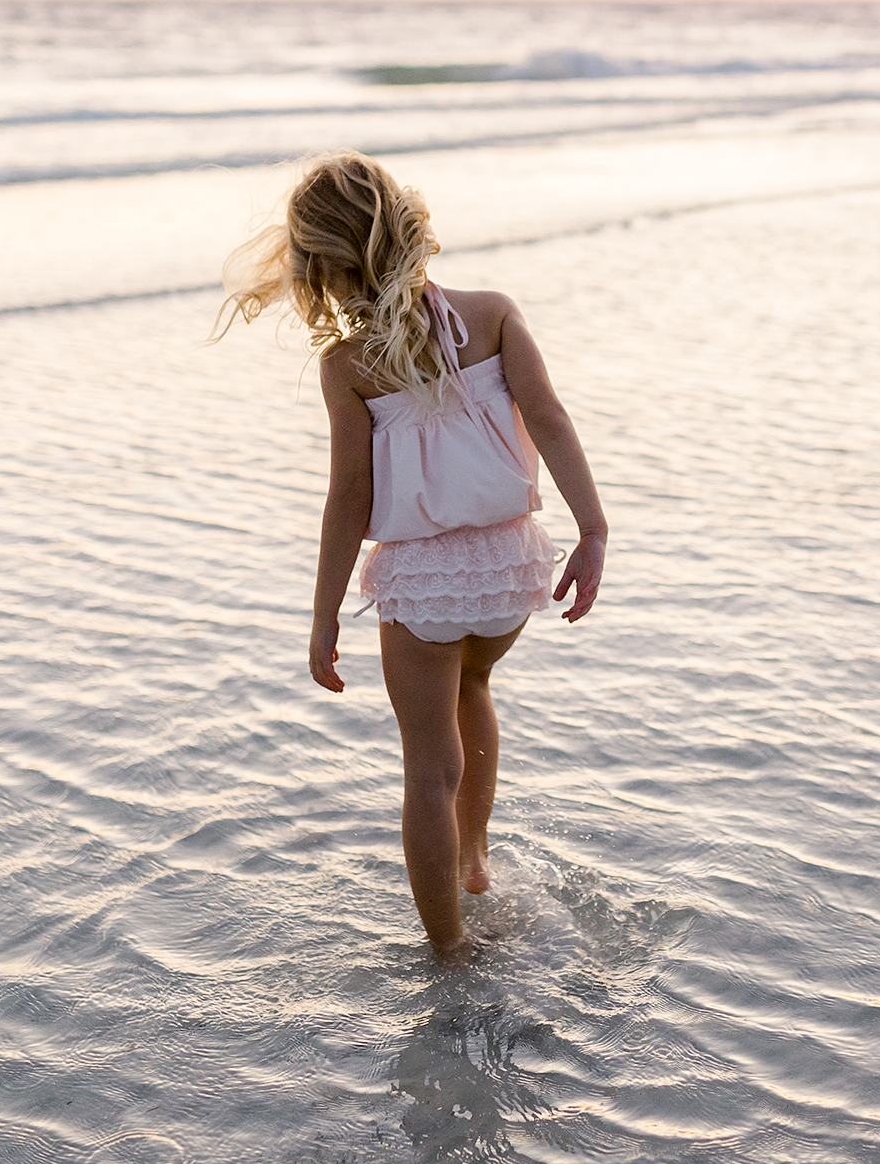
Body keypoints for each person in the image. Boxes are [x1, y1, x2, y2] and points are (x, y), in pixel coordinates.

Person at [217, 151, 608, 962]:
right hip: (511, 569)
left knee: (428, 767)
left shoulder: (349, 365)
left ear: (323, 266)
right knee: (475, 684)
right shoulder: (494, 313)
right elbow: (553, 419)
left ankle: (449, 949)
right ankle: (473, 862)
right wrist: (593, 530)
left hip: (425, 582)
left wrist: (324, 613)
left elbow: (348, 497)